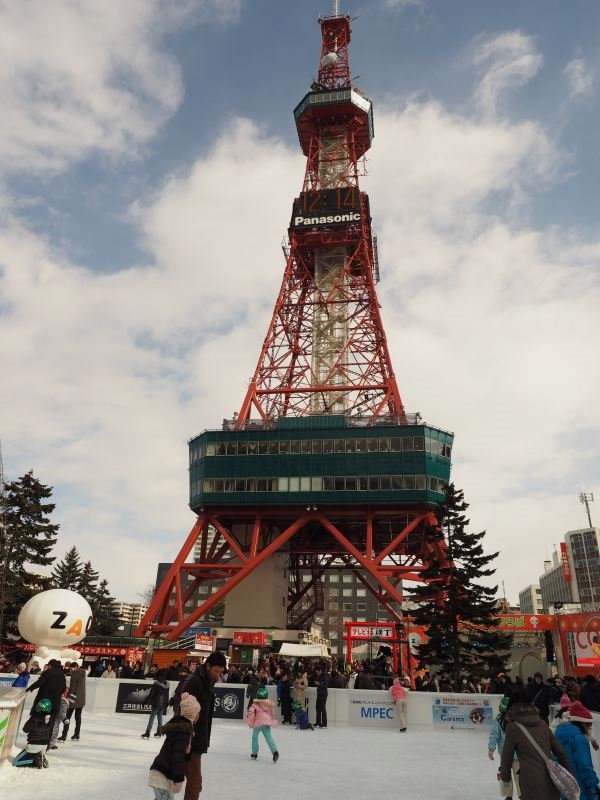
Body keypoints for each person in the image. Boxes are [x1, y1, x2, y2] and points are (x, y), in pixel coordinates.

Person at [499, 689, 572, 799]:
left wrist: (505, 778)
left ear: (512, 706)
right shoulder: (542, 724)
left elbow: (506, 757)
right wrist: (567, 776)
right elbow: (561, 753)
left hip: (530, 782)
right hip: (551, 779)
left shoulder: (513, 727)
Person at [181, 651, 227, 800]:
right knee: (195, 782)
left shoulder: (206, 681)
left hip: (196, 739)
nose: (217, 675)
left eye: (220, 673)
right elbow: (184, 711)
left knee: (189, 781)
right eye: (215, 671)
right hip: (189, 740)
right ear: (208, 666)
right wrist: (187, 738)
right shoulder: (196, 681)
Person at [148, 692, 200, 800]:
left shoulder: (181, 727)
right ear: (193, 713)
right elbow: (178, 757)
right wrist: (179, 779)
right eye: (198, 712)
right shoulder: (184, 732)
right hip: (162, 774)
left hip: (161, 773)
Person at [554, 700, 600, 800]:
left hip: (565, 785)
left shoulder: (559, 734)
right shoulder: (579, 739)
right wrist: (594, 786)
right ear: (583, 723)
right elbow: (585, 767)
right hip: (580, 788)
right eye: (589, 725)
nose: (590, 728)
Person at [488, 697, 520, 800]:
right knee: (518, 775)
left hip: (506, 753)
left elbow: (493, 735)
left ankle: (509, 795)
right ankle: (520, 795)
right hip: (515, 754)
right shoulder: (517, 720)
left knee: (506, 775)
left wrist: (491, 748)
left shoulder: (499, 720)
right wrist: (491, 748)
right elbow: (494, 734)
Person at [26, 659, 66, 734]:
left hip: (44, 701)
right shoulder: (61, 675)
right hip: (55, 703)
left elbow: (40, 682)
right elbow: (64, 688)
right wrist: (57, 695)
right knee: (51, 721)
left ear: (50, 665)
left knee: (38, 718)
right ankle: (46, 738)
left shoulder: (47, 673)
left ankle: (35, 737)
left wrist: (30, 688)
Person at [247, 687, 279, 762]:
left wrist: (250, 724)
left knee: (255, 737)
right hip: (266, 723)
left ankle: (254, 753)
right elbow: (272, 713)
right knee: (269, 737)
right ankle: (275, 752)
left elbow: (251, 714)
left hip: (257, 723)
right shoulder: (270, 703)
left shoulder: (255, 704)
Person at [59, 661, 87, 741]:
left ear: (75, 667)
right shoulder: (83, 673)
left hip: (73, 699)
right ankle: (77, 735)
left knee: (67, 717)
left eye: (71, 669)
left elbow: (72, 688)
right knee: (78, 717)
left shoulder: (74, 674)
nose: (70, 670)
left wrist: (68, 698)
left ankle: (64, 736)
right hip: (81, 699)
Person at [142, 666, 170, 739]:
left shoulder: (157, 682)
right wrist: (166, 703)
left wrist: (146, 701)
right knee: (160, 716)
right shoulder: (167, 683)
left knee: (152, 717)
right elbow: (167, 695)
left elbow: (152, 693)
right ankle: (159, 732)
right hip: (163, 703)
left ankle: (148, 732)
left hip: (157, 702)